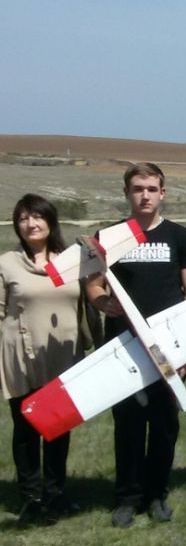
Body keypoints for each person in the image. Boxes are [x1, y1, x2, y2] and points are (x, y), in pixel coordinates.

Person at [85, 162, 186, 528]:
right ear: (127, 193)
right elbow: (92, 285)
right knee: (129, 423)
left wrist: (184, 350)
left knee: (165, 423)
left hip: (167, 349)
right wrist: (103, 302)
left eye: (152, 188)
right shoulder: (108, 238)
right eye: (138, 188)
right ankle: (127, 497)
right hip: (122, 350)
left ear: (162, 193)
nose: (145, 195)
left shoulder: (180, 237)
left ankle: (157, 494)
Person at [1, 194, 88, 524]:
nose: (30, 223)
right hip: (21, 355)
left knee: (58, 427)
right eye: (23, 218)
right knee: (25, 429)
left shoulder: (72, 260)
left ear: (50, 221)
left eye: (36, 216)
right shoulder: (7, 262)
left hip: (63, 354)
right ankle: (30, 497)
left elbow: (90, 297)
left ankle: (56, 493)